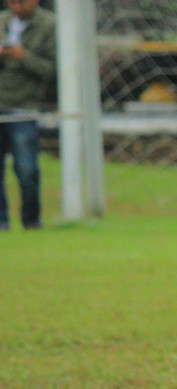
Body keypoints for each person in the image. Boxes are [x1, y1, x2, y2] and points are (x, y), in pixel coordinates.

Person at [0, 0, 55, 231]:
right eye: (12, 1)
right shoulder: (1, 21)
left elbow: (53, 70)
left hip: (24, 106)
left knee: (27, 170)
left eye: (22, 1)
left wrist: (24, 57)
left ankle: (31, 222)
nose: (17, 6)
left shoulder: (49, 25)